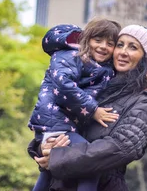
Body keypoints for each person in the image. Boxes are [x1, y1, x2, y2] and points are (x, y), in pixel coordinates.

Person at [32, 24, 147, 191]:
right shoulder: (96, 85)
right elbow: (57, 121)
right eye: (120, 44)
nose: (123, 51)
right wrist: (43, 146)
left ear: (145, 58)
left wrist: (59, 158)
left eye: (133, 47)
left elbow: (121, 148)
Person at [28, 19, 122, 191]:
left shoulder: (101, 66)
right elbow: (64, 85)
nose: (103, 47)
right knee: (91, 166)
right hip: (55, 123)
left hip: (65, 125)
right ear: (86, 39)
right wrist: (93, 110)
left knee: (49, 172)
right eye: (98, 40)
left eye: (110, 44)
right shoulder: (72, 55)